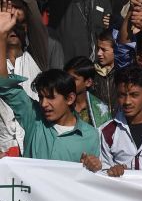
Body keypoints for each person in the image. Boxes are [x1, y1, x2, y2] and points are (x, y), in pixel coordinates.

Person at [0, 9, 99, 163]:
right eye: (40, 97)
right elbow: (4, 84)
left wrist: (95, 168)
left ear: (70, 98)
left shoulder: (90, 136)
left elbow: (91, 183)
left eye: (51, 98)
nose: (43, 104)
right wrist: (1, 36)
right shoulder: (33, 117)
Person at [65, 57, 111, 129]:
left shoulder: (100, 110)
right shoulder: (61, 104)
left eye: (74, 79)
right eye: (66, 78)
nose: (68, 82)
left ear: (88, 82)